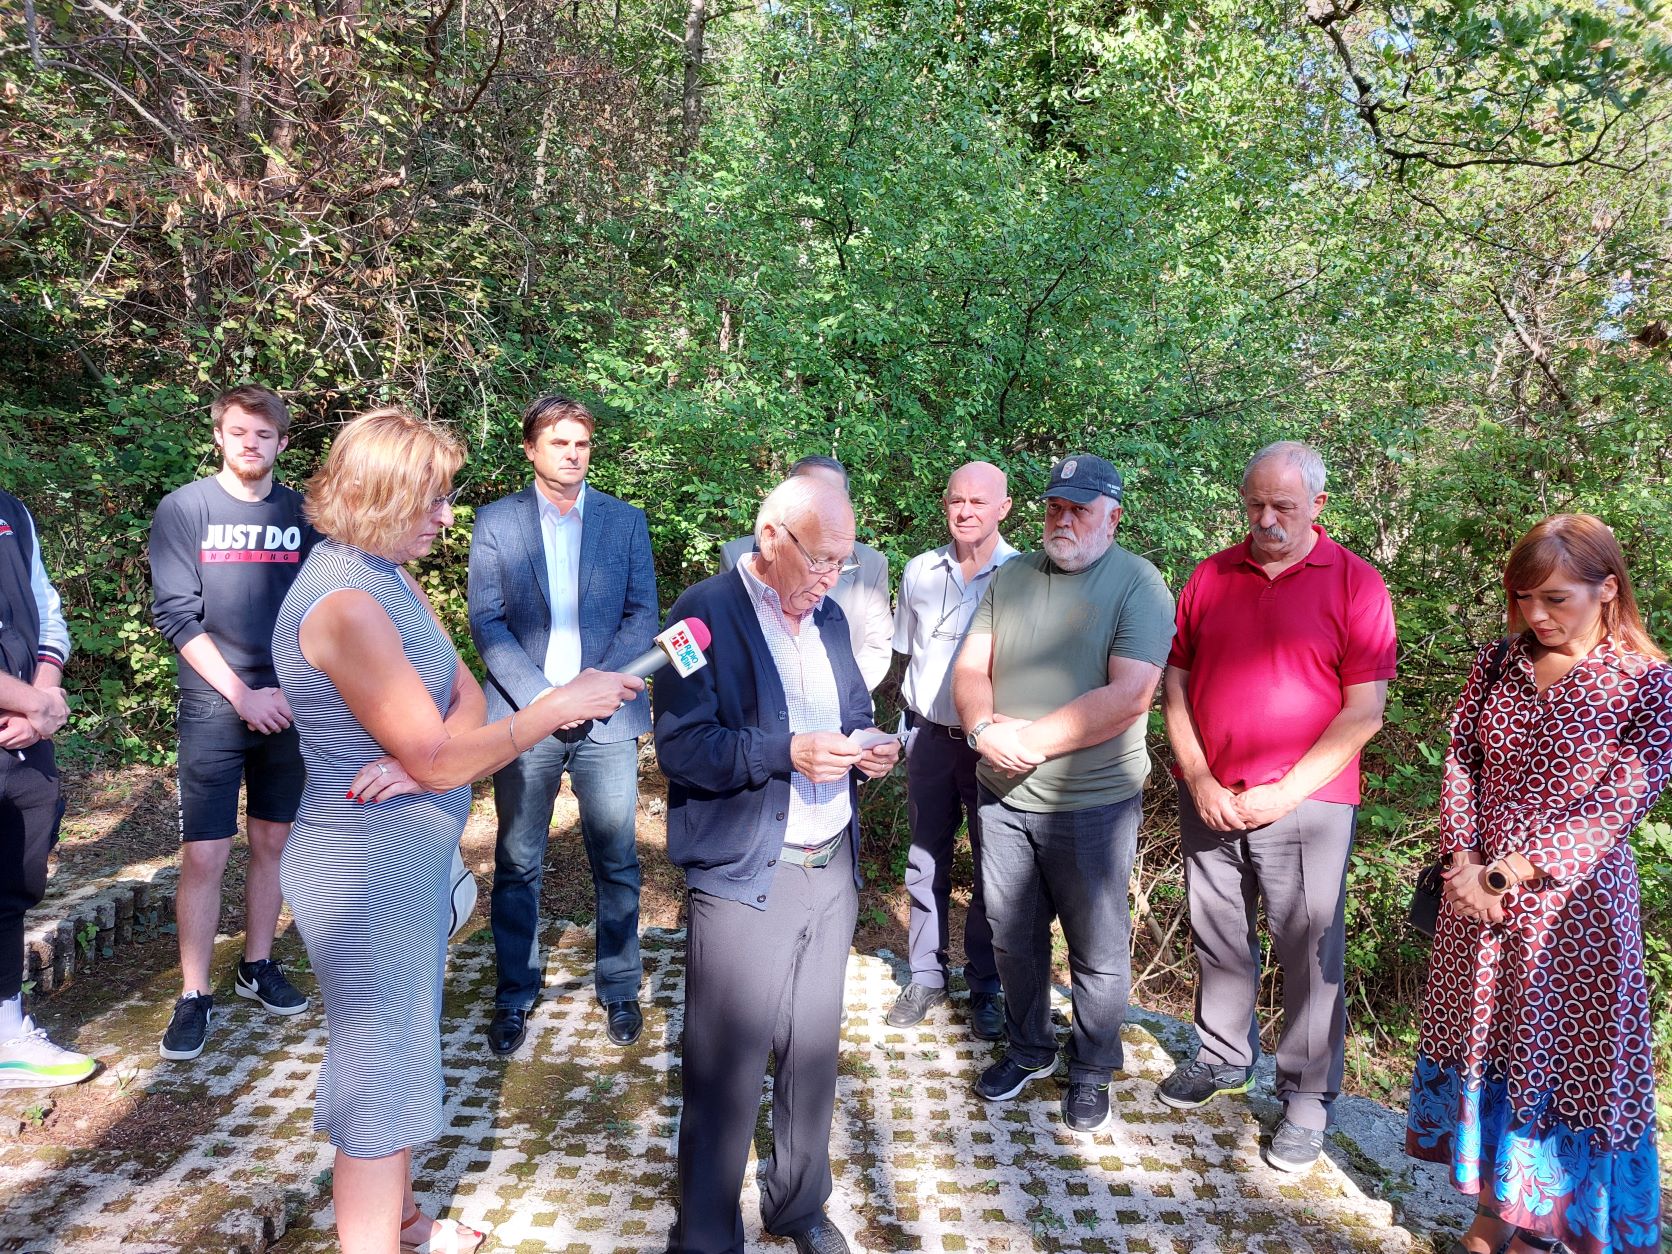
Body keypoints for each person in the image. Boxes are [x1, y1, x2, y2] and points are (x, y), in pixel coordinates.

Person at [272, 408, 641, 1253]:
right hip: (362, 873)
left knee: (403, 1051)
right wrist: (544, 711)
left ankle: (403, 1222)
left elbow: (466, 695)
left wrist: (426, 761)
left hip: (404, 864)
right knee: (376, 1076)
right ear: (381, 496)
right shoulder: (346, 602)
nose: (446, 517)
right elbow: (450, 745)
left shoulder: (388, 577)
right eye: (432, 500)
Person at [1406, 514, 1668, 1254]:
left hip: (1573, 916)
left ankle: (1544, 1228)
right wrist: (1464, 863)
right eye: (1524, 598)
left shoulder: (1648, 683)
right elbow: (1461, 758)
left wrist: (1508, 871)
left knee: (1560, 1062)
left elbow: (1622, 801)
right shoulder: (1497, 663)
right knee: (1490, 1048)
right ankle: (1497, 1210)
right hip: (1477, 905)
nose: (1536, 614)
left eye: (1555, 598)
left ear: (1607, 589)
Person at [654, 474, 901, 1254]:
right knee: (725, 1069)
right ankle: (704, 1235)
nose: (831, 579)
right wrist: (786, 751)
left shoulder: (828, 618)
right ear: (771, 537)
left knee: (813, 1053)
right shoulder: (697, 615)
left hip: (829, 864)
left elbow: (853, 710)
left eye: (843, 563)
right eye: (820, 560)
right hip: (745, 876)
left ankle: (798, 1206)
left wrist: (870, 747)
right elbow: (682, 749)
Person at [1158, 441, 1396, 1172]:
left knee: (1309, 949)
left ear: (1317, 505)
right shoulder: (1211, 575)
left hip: (1307, 805)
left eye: (1282, 506)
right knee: (1218, 931)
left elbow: (1364, 712)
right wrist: (1199, 777)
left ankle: (1306, 1099)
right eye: (1255, 503)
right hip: (1212, 794)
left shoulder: (1356, 583)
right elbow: (1175, 684)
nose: (1265, 519)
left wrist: (1283, 793)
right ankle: (1223, 1054)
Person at [952, 453, 1174, 1135]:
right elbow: (970, 668)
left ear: (1113, 517)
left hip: (1091, 804)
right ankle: (1029, 1047)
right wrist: (983, 730)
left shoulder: (1139, 584)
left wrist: (1029, 741)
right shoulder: (1012, 575)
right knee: (1012, 937)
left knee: (1097, 949)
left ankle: (1093, 1066)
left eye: (1080, 509)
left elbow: (1130, 695)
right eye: (1055, 506)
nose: (1063, 520)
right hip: (1002, 795)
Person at [468, 395, 658, 1054]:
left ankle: (620, 987)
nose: (573, 454)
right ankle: (514, 993)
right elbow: (487, 621)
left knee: (618, 859)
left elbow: (642, 614)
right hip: (526, 719)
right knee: (518, 860)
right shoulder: (496, 522)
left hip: (608, 717)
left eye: (581, 443)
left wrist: (594, 692)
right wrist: (547, 700)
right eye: (559, 443)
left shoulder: (625, 521)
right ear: (530, 449)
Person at [149, 385, 317, 1061]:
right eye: (240, 432)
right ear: (219, 436)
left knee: (274, 840)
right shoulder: (185, 508)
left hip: (289, 703)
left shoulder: (304, 513)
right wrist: (243, 694)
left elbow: (326, 604)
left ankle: (256, 964)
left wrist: (294, 688)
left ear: (282, 442)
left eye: (264, 434)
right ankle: (194, 994)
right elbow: (176, 615)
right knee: (206, 852)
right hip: (214, 704)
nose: (252, 444)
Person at [885, 461, 1016, 1038]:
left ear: (1003, 509)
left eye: (978, 502)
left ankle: (985, 984)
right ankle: (926, 975)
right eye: (956, 500)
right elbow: (907, 652)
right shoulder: (919, 570)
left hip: (990, 746)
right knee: (925, 858)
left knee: (995, 866)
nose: (965, 512)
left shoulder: (1023, 575)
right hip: (929, 738)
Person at [0, 487, 96, 1090]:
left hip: (22, 740)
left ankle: (7, 1035)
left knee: (12, 883)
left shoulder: (11, 510)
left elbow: (45, 608)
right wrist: (31, 702)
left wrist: (38, 701)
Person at [720, 455, 893, 692]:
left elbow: (876, 646)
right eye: (810, 493)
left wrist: (843, 696)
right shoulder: (736, 555)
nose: (831, 579)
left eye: (832, 495)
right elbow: (726, 644)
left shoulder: (871, 563)